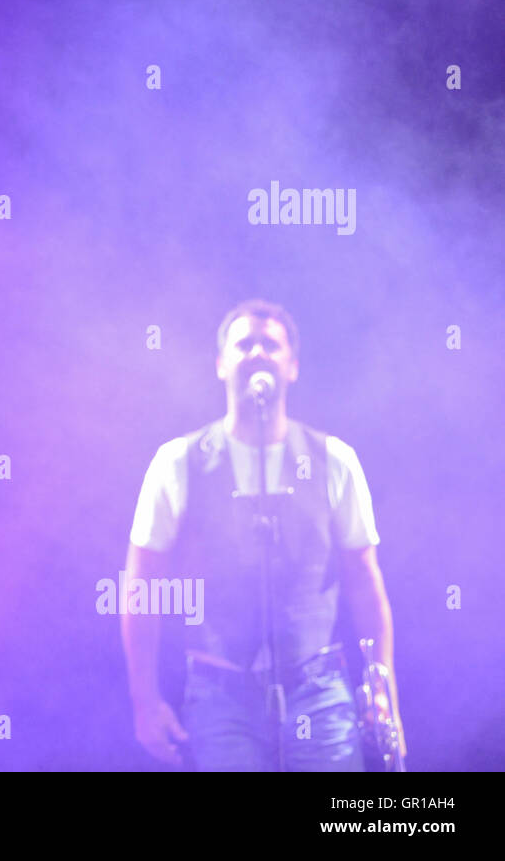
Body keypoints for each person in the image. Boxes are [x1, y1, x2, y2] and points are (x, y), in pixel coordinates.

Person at [122, 299, 405, 771]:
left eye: (271, 345)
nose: (257, 353)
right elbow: (142, 589)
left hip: (319, 690)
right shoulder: (177, 463)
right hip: (220, 697)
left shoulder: (335, 460)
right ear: (220, 364)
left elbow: (364, 582)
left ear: (292, 366)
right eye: (244, 344)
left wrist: (384, 690)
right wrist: (144, 701)